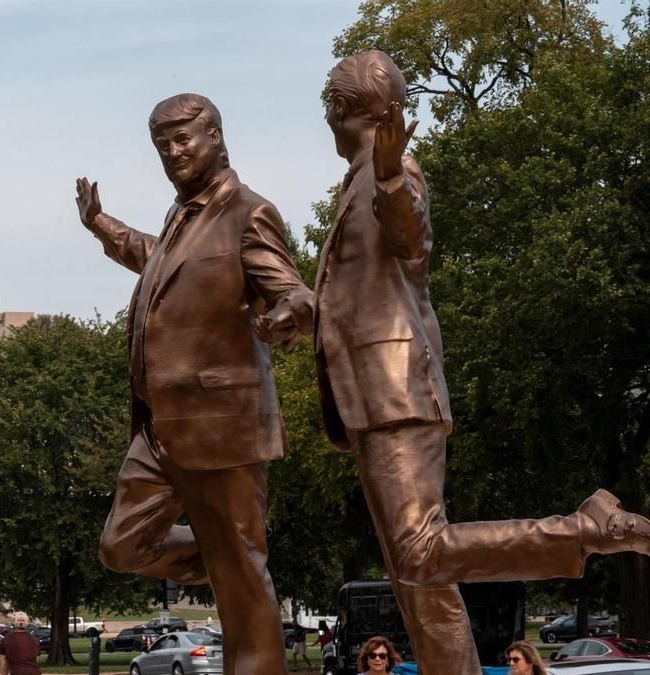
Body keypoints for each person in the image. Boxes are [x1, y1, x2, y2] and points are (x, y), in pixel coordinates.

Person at [256, 48, 650, 675]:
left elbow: (410, 238)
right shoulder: (355, 183)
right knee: (419, 584)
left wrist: (389, 177)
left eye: (328, 107)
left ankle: (588, 528)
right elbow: (360, 290)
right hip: (366, 396)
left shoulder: (394, 172)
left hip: (394, 391)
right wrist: (300, 313)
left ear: (340, 110)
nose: (325, 119)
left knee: (418, 555)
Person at [76, 93, 313, 675]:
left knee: (244, 583)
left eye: (184, 139)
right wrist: (100, 223)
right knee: (122, 545)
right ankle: (226, 553)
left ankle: (239, 577)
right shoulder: (182, 218)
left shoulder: (248, 213)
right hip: (160, 428)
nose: (173, 152)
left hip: (225, 427)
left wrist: (289, 314)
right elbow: (156, 259)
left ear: (215, 135)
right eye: (163, 145)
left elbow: (292, 290)